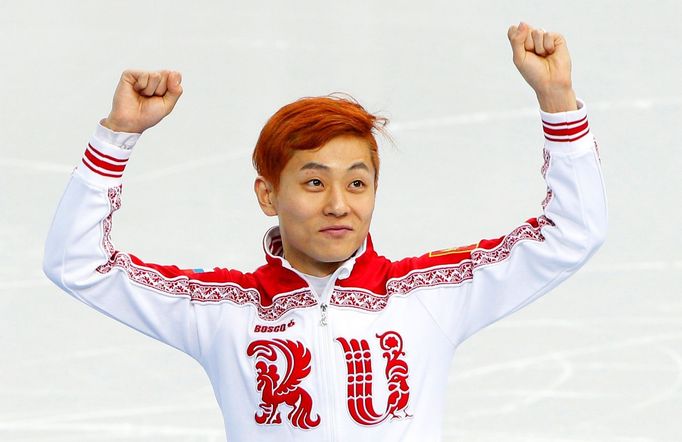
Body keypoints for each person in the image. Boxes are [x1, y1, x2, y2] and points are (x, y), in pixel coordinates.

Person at [43, 22, 607, 441]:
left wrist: (557, 102)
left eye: (357, 184)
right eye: (314, 183)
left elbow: (570, 234)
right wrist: (117, 136)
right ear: (269, 195)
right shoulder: (224, 309)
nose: (339, 205)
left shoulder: (430, 294)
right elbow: (76, 262)